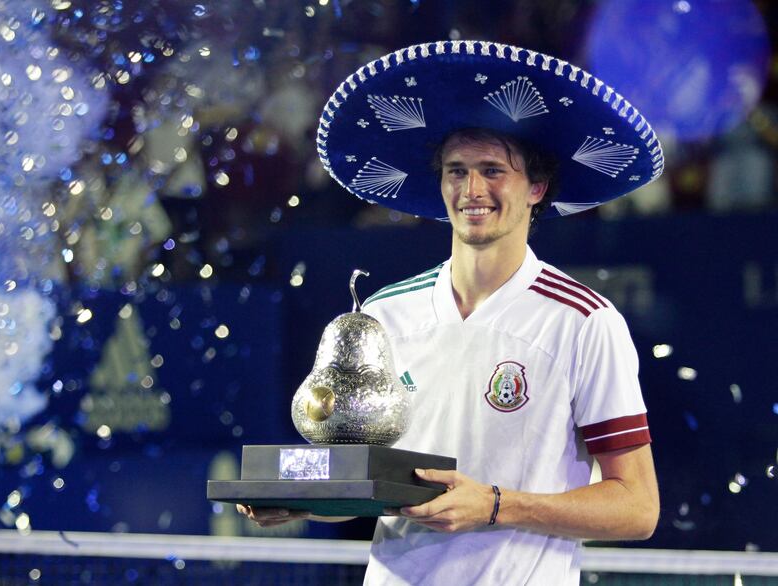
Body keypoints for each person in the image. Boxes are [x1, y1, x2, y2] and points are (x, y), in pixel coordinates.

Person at [240, 40, 663, 584]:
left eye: (493, 170)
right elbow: (373, 489)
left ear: (537, 188)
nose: (472, 190)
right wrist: (305, 503)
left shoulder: (584, 320)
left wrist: (494, 504)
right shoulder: (383, 314)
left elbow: (637, 507)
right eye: (456, 171)